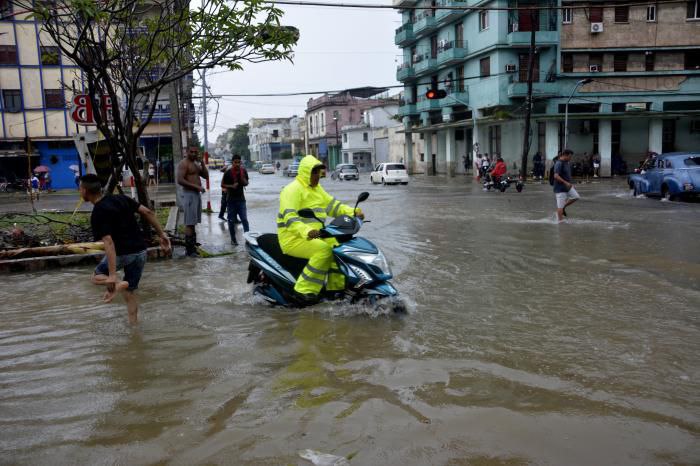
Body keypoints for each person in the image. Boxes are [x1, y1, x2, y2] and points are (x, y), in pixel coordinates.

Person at [79, 174, 171, 324]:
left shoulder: (98, 212)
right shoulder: (121, 198)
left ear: (84, 191)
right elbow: (147, 212)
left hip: (123, 253)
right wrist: (162, 234)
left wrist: (113, 275)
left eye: (79, 189)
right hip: (141, 251)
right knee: (130, 292)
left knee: (96, 276)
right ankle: (134, 326)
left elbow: (109, 243)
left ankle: (118, 284)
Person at [277, 155, 363, 302]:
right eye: (315, 172)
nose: (318, 175)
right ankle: (303, 291)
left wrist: (353, 212)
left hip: (316, 235)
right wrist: (307, 231)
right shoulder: (292, 190)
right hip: (293, 238)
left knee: (339, 249)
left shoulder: (317, 189)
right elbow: (290, 218)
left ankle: (335, 291)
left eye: (319, 172)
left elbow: (333, 206)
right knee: (324, 250)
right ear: (306, 172)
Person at [177, 148, 209, 256]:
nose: (194, 153)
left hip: (196, 194)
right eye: (191, 152)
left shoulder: (195, 164)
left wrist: (202, 163)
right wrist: (196, 187)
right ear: (187, 152)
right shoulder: (184, 163)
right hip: (189, 194)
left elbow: (206, 176)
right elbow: (180, 180)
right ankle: (189, 250)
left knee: (193, 222)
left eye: (196, 152)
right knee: (189, 222)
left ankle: (193, 247)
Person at [221, 154, 249, 245]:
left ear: (240, 162)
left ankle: (248, 240)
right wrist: (231, 186)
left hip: (241, 200)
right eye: (235, 162)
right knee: (231, 220)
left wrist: (242, 179)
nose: (237, 164)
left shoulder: (243, 171)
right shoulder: (228, 172)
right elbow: (222, 185)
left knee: (244, 219)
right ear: (232, 163)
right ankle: (233, 239)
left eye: (238, 162)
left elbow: (246, 183)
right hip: (231, 200)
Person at [553, 149, 580, 222]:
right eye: (570, 156)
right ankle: (560, 222)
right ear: (565, 155)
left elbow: (567, 175)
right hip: (560, 189)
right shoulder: (559, 163)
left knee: (576, 196)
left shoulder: (566, 163)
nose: (571, 158)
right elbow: (556, 176)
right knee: (560, 207)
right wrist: (566, 183)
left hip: (568, 187)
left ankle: (563, 207)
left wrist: (571, 183)